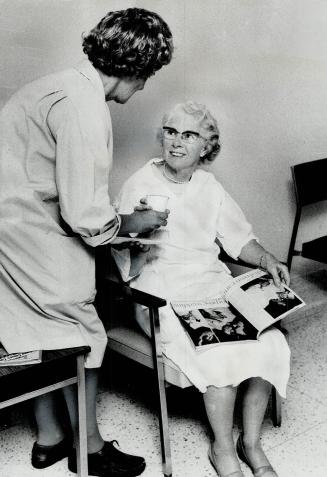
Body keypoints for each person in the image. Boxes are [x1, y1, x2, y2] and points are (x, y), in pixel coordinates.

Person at [0, 8, 173, 477]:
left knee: (38, 333)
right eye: (146, 77)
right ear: (134, 67)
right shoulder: (84, 106)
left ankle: (49, 438)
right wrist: (133, 223)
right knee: (81, 336)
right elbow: (85, 215)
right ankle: (90, 450)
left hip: (11, 234)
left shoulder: (52, 85)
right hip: (37, 236)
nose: (142, 89)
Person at [113, 101, 290, 477]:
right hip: (160, 290)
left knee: (271, 340)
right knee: (217, 356)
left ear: (206, 146)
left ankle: (251, 442)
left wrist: (268, 260)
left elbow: (240, 240)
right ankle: (222, 448)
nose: (177, 142)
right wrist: (135, 241)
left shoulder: (209, 186)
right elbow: (117, 248)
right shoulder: (139, 183)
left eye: (189, 135)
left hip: (211, 281)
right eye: (171, 131)